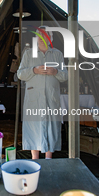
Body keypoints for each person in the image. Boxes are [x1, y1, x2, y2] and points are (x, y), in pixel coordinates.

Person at [17, 27, 68, 159]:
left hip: (51, 98)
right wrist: (34, 70)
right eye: (39, 35)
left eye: (45, 35)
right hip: (34, 98)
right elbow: (20, 74)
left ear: (51, 38)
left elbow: (65, 76)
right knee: (34, 126)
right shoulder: (29, 54)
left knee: (51, 126)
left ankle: (48, 158)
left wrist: (55, 72)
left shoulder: (57, 54)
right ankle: (35, 158)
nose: (41, 37)